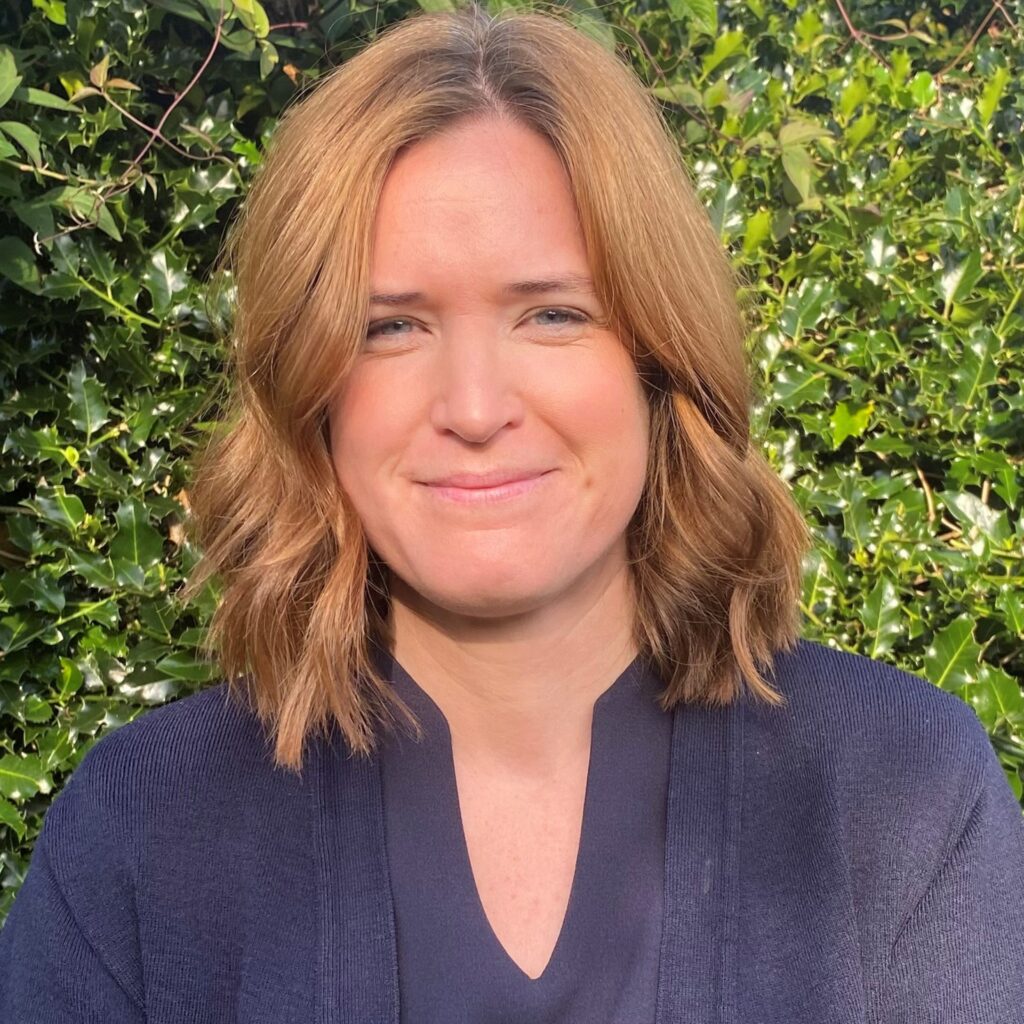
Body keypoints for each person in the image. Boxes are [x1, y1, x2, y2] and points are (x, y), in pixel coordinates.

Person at [2, 4, 1023, 1022]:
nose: (476, 407)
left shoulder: (901, 793)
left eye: (553, 314)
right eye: (391, 327)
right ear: (310, 389)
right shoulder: (143, 832)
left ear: (661, 357)